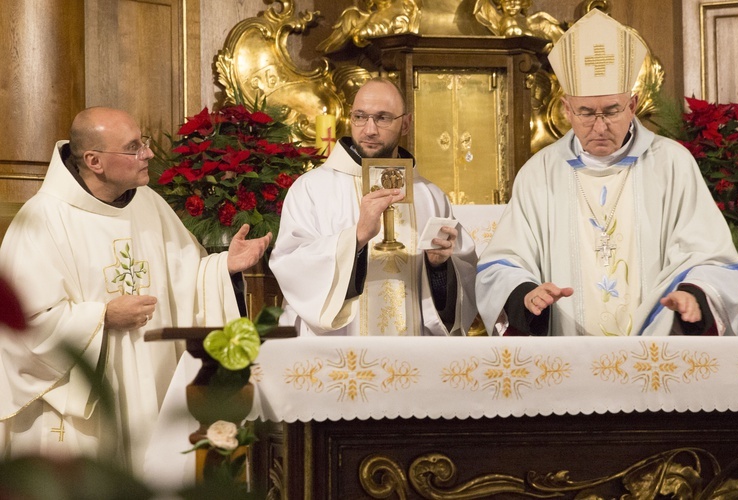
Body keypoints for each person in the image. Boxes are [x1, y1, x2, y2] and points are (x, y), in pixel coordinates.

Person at [0, 107, 271, 476]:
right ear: (94, 161)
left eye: (142, 142)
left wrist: (223, 266)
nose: (147, 153)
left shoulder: (149, 204)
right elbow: (23, 328)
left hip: (153, 385)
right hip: (84, 406)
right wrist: (102, 317)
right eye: (133, 147)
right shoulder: (43, 220)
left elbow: (184, 277)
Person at [476, 9, 738, 337]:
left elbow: (712, 257)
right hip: (568, 359)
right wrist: (526, 295)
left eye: (612, 111)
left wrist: (694, 295)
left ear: (632, 105)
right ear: (566, 109)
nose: (600, 126)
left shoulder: (672, 164)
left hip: (655, 355)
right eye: (586, 112)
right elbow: (504, 264)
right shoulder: (540, 173)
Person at [269, 77, 477, 336]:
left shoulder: (431, 197)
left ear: (406, 124)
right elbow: (292, 267)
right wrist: (355, 239)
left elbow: (463, 288)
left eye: (383, 118)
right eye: (360, 116)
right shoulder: (312, 189)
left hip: (413, 357)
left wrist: (438, 268)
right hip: (340, 356)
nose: (369, 130)